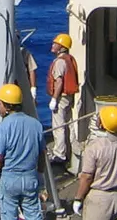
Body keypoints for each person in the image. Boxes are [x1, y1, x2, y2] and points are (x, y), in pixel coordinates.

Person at [0, 83, 46, 220]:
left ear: (7, 106)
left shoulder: (3, 127)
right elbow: (42, 154)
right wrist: (40, 174)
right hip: (30, 178)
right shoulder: (36, 124)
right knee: (34, 215)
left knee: (8, 215)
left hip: (10, 180)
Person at [73, 106, 117, 220]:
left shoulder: (94, 147)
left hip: (99, 199)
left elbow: (87, 177)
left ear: (102, 124)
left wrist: (78, 198)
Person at [47, 32, 80, 164]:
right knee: (69, 123)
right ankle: (70, 147)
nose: (53, 45)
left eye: (56, 43)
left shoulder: (60, 62)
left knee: (58, 126)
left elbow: (59, 82)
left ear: (61, 47)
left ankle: (59, 154)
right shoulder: (69, 59)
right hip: (69, 97)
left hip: (61, 98)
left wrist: (54, 99)